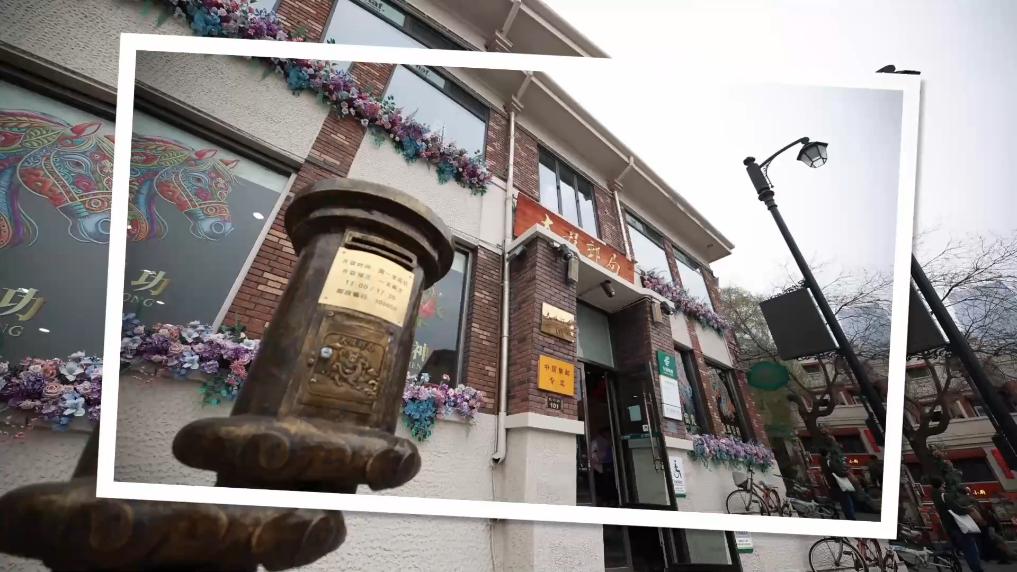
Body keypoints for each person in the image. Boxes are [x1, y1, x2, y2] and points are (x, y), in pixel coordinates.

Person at [930, 476, 984, 572]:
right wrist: (969, 509)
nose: (945, 484)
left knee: (961, 547)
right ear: (941, 484)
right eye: (943, 482)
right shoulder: (944, 495)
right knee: (970, 549)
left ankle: (949, 555)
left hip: (949, 527)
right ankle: (977, 569)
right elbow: (957, 509)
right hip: (958, 526)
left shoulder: (935, 496)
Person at [589, 426, 617, 506]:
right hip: (602, 465)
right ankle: (606, 501)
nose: (608, 434)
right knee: (605, 484)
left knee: (610, 483)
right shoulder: (597, 441)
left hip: (609, 464)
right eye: (606, 432)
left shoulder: (610, 440)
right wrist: (598, 462)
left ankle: (611, 500)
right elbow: (593, 454)